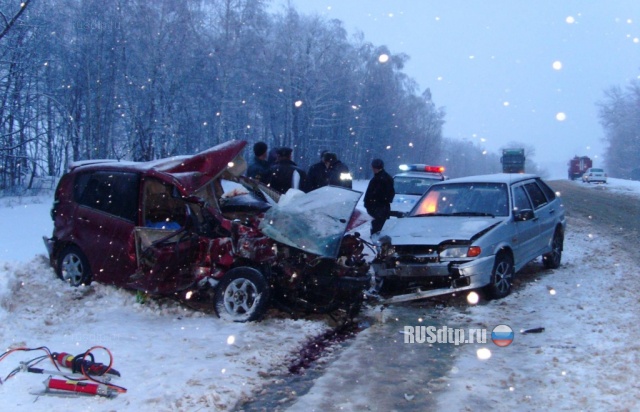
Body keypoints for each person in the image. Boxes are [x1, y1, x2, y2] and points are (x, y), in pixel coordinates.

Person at [364, 158, 395, 236]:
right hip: (380, 208)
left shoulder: (379, 179)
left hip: (378, 209)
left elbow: (374, 193)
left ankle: (377, 245)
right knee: (380, 230)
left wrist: (370, 204)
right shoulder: (385, 178)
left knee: (377, 230)